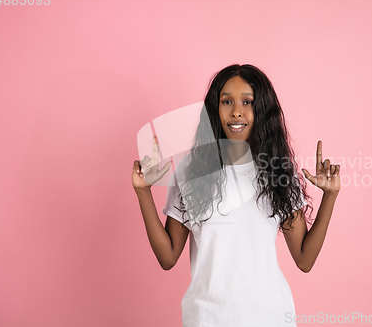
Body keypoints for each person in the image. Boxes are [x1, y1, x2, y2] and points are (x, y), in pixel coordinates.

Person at [131, 64, 341, 326]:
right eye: (226, 101)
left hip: (270, 317)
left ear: (262, 109)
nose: (237, 111)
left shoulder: (278, 173)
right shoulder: (192, 171)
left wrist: (330, 196)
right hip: (206, 319)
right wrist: (143, 192)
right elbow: (168, 257)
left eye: (248, 102)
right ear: (214, 110)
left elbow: (304, 259)